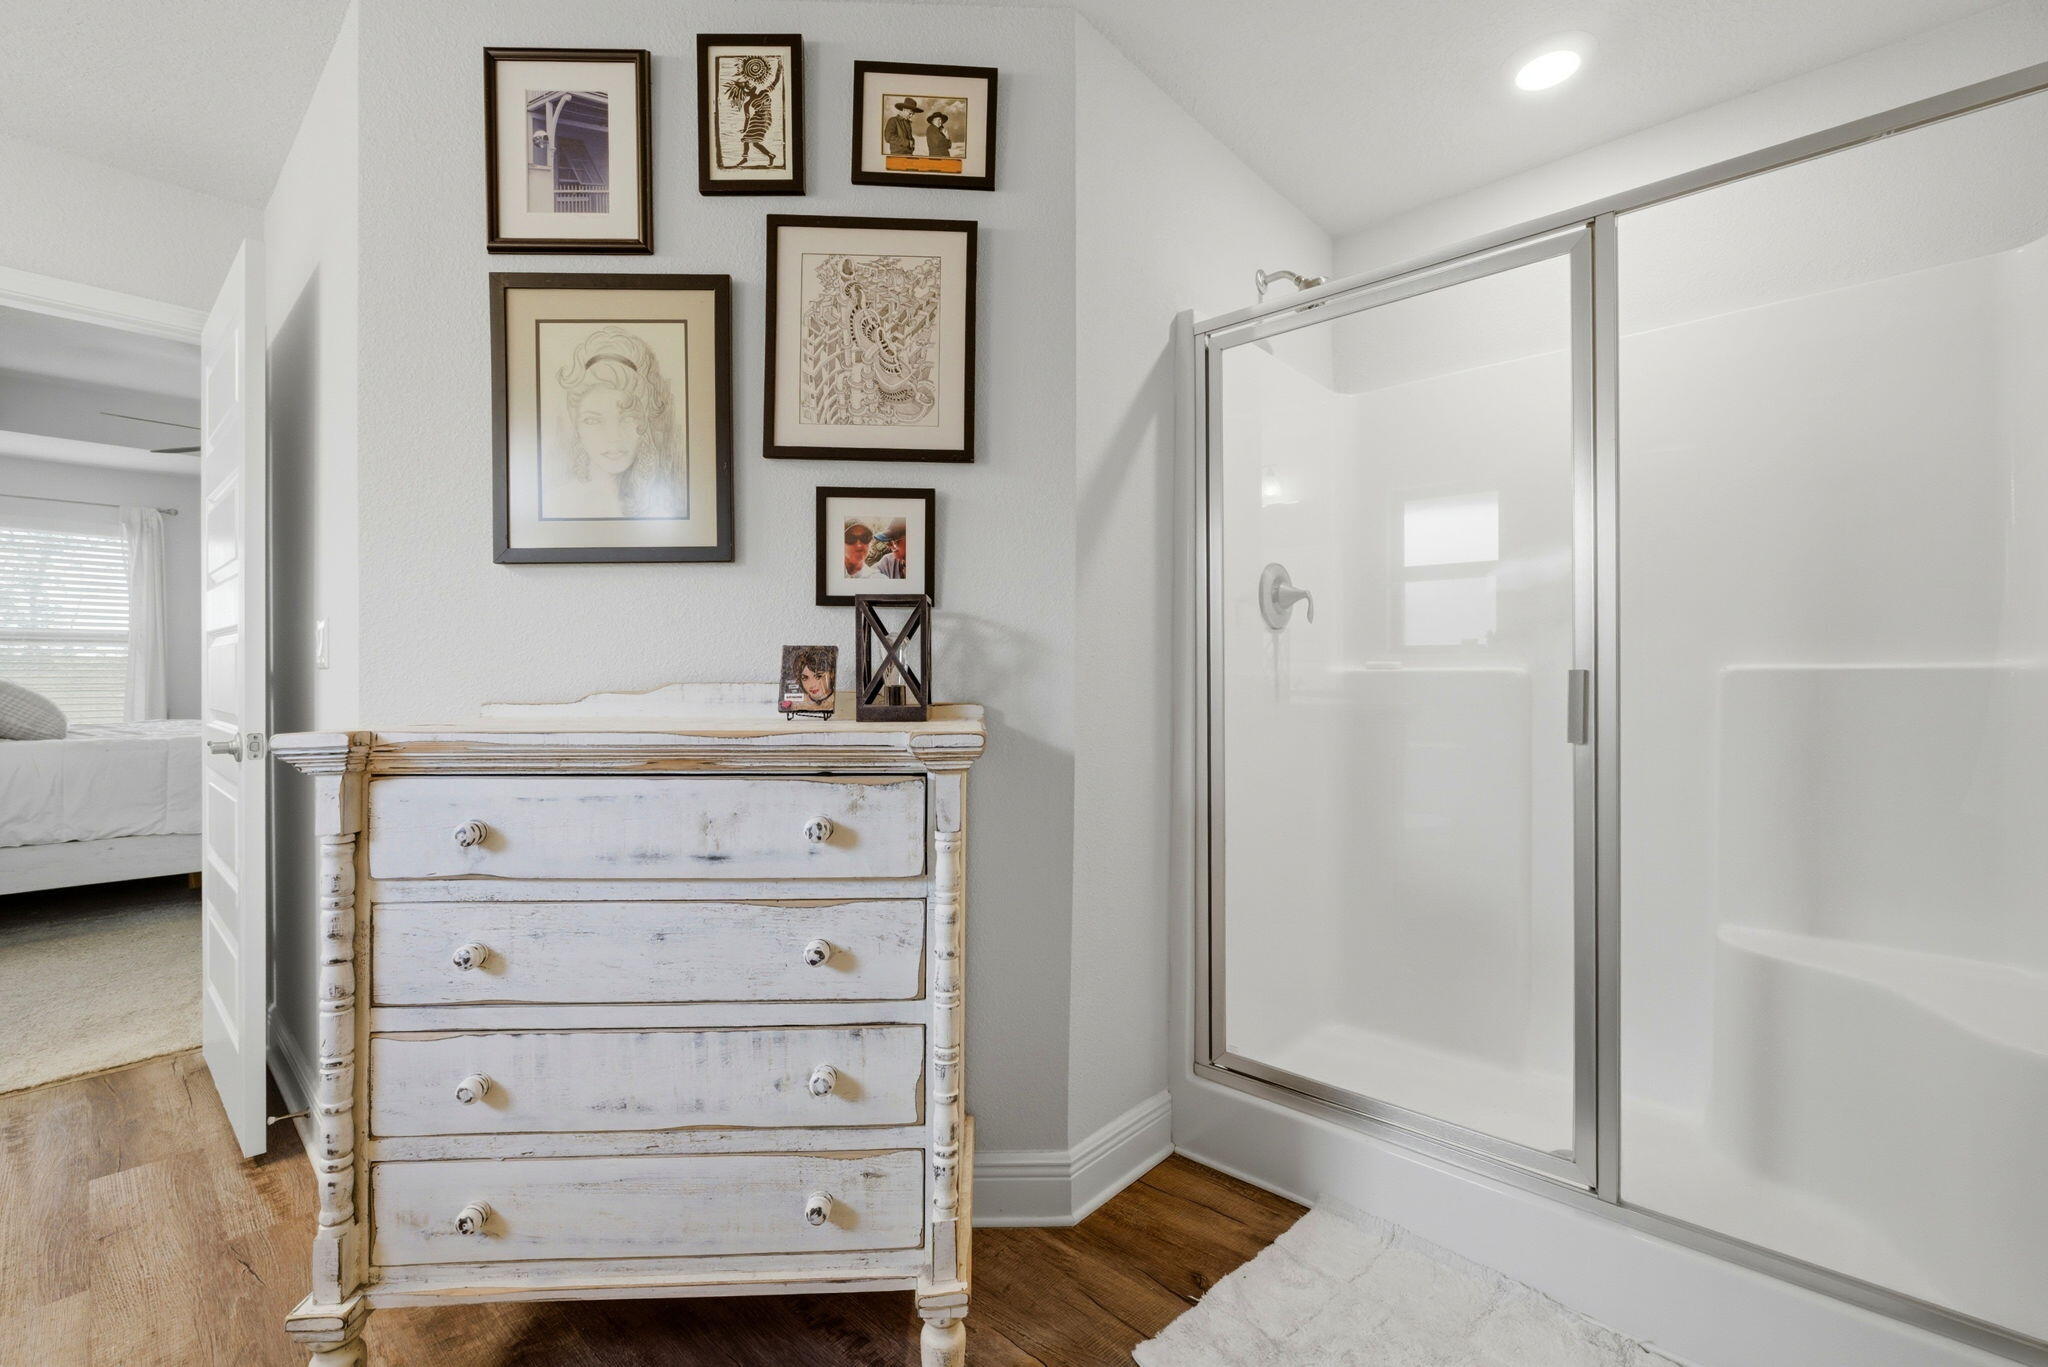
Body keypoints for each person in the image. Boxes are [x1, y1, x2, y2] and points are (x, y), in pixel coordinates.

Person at [545, 326, 684, 519]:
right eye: (593, 420)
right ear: (577, 427)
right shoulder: (555, 505)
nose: (613, 437)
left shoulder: (668, 504)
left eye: (627, 418)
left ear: (644, 424)